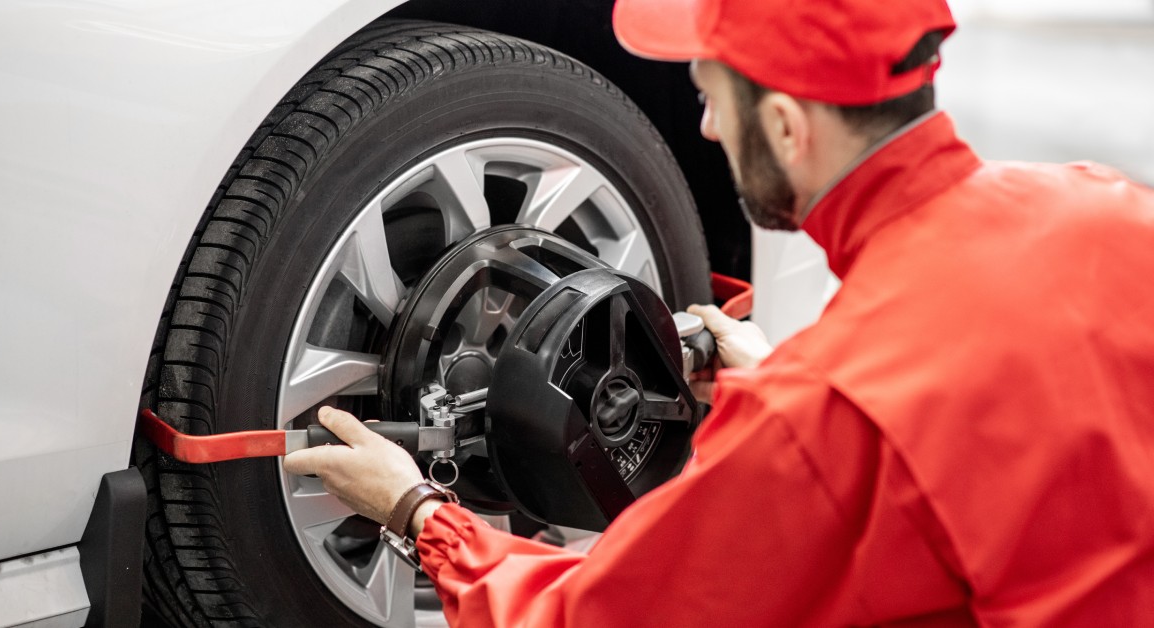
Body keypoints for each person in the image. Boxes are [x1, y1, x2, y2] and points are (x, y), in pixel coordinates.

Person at [284, 0, 1154, 624]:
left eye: (710, 98)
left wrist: (417, 515)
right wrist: (791, 387)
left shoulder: (817, 416)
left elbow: (593, 619)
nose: (701, 129)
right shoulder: (1111, 209)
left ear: (784, 127)